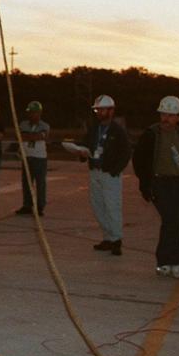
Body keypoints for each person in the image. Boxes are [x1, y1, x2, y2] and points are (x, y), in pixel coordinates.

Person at [133, 96, 179, 278]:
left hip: (176, 182)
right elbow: (139, 159)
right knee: (171, 221)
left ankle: (167, 262)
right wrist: (145, 185)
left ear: (178, 117)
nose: (166, 119)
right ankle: (172, 261)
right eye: (164, 114)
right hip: (159, 183)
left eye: (171, 115)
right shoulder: (151, 134)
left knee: (173, 223)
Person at [79, 94, 131, 256]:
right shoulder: (94, 129)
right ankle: (107, 237)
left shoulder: (118, 131)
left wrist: (115, 171)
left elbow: (126, 152)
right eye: (97, 110)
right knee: (98, 206)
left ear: (111, 111)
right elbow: (86, 145)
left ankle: (116, 240)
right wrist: (81, 153)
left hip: (110, 175)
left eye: (102, 110)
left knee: (112, 207)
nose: (99, 113)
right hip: (95, 172)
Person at [15, 101, 50, 216]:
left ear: (39, 113)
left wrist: (29, 136)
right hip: (27, 156)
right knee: (26, 183)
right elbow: (21, 136)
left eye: (34, 112)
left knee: (40, 183)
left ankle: (40, 206)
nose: (31, 115)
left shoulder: (45, 125)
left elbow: (42, 136)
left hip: (39, 157)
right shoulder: (23, 124)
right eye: (30, 112)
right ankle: (27, 205)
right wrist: (34, 136)